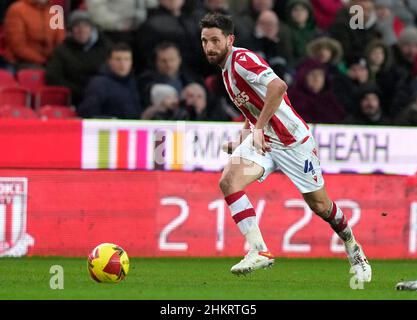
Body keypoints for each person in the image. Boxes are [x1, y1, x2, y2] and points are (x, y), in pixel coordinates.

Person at [200, 12, 371, 281]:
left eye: (215, 40)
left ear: (230, 39)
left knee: (321, 206)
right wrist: (245, 135)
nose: (209, 47)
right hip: (265, 140)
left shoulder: (242, 60)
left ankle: (353, 247)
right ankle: (258, 251)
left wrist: (257, 129)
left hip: (293, 142)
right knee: (229, 181)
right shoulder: (226, 71)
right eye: (204, 41)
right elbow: (252, 109)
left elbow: (278, 87)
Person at [46, 10, 111, 106]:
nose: (82, 30)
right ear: (71, 30)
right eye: (77, 26)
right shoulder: (62, 50)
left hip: (102, 96)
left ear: (91, 29)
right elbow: (53, 77)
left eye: (85, 26)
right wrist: (78, 90)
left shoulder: (105, 47)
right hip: (73, 99)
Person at [78, 43, 142, 119]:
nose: (122, 64)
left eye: (127, 59)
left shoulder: (133, 83)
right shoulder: (99, 84)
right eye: (118, 59)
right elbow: (88, 113)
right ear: (109, 61)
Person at [3, 0, 66, 69]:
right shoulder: (16, 10)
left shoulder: (56, 11)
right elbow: (18, 47)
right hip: (22, 60)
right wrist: (43, 61)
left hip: (50, 60)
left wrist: (57, 60)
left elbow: (61, 42)